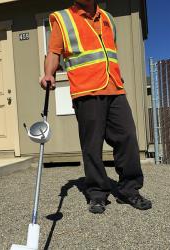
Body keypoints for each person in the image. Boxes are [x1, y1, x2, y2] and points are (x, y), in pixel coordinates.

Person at [40, 0, 152, 214]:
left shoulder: (108, 18)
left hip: (115, 87)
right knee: (92, 145)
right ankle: (97, 194)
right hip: (86, 91)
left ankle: (129, 189)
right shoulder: (63, 19)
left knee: (127, 137)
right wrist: (48, 74)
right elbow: (54, 52)